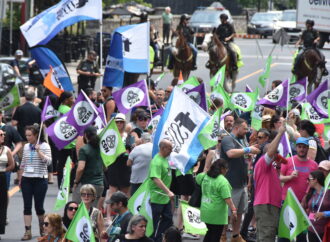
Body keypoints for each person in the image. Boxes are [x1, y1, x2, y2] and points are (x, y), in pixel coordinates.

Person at [220, 118, 260, 242]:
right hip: (230, 182)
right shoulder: (227, 139)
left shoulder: (242, 139)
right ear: (237, 127)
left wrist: (248, 152)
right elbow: (230, 153)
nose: (246, 131)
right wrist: (248, 150)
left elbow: (244, 157)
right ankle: (222, 236)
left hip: (241, 182)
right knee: (227, 213)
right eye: (244, 128)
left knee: (240, 211)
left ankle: (235, 236)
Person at [254, 123, 287, 242]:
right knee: (266, 237)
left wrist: (278, 168)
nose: (277, 155)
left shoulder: (272, 168)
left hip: (270, 205)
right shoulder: (263, 162)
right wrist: (280, 133)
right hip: (266, 205)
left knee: (266, 236)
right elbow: (270, 152)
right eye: (275, 153)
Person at [19, 124, 52, 240]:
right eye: (26, 135)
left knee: (39, 207)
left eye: (30, 135)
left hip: (40, 179)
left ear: (36, 135)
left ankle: (42, 229)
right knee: (27, 206)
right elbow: (23, 162)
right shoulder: (27, 146)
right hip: (27, 179)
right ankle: (27, 231)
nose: (27, 138)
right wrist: (20, 178)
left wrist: (39, 152)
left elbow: (49, 162)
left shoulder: (45, 146)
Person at [196, 159, 237, 242]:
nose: (227, 171)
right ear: (222, 169)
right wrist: (234, 210)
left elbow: (197, 179)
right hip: (217, 214)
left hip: (205, 211)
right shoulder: (223, 181)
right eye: (226, 168)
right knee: (215, 236)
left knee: (209, 233)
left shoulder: (204, 176)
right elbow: (227, 198)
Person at [148, 139, 174, 242]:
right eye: (170, 148)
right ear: (163, 148)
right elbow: (156, 179)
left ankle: (159, 238)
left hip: (165, 198)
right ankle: (152, 239)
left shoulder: (166, 159)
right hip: (157, 197)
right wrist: (168, 191)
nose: (171, 151)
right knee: (154, 221)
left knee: (168, 218)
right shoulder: (157, 161)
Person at [73, 126, 104, 207]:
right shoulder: (101, 148)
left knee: (77, 207)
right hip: (99, 184)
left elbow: (80, 168)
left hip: (86, 184)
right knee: (93, 211)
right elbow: (105, 167)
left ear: (85, 135)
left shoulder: (84, 149)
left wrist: (76, 181)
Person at [56, 91, 77, 189]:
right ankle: (70, 185)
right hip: (70, 143)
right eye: (71, 98)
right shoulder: (68, 110)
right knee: (73, 165)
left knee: (61, 165)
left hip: (61, 141)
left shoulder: (60, 108)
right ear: (66, 100)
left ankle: (61, 184)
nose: (73, 100)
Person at [305, 170, 330, 241]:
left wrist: (324, 214)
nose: (307, 181)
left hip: (325, 231)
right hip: (311, 229)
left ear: (315, 180)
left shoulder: (328, 193)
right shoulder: (311, 193)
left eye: (308, 179)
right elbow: (309, 210)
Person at [0, 128, 14, 239]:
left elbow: (12, 165)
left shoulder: (6, 149)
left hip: (1, 177)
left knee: (2, 204)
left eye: (3, 134)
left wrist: (4, 170)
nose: (3, 136)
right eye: (0, 135)